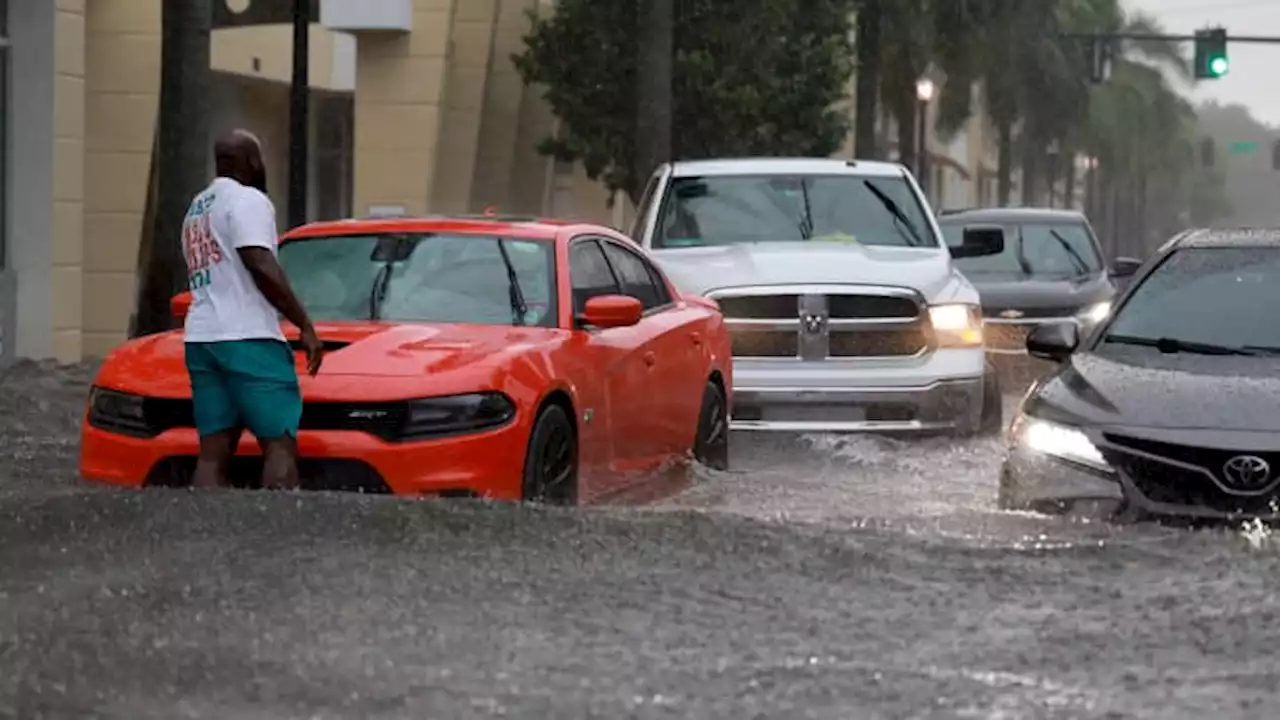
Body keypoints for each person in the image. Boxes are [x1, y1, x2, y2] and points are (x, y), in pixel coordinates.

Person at [181, 129, 324, 490]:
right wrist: (304, 323)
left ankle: (201, 535)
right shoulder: (248, 201)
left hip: (201, 339)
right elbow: (259, 262)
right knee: (279, 444)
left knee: (212, 451)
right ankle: (277, 535)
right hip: (249, 338)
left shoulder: (197, 209)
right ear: (251, 162)